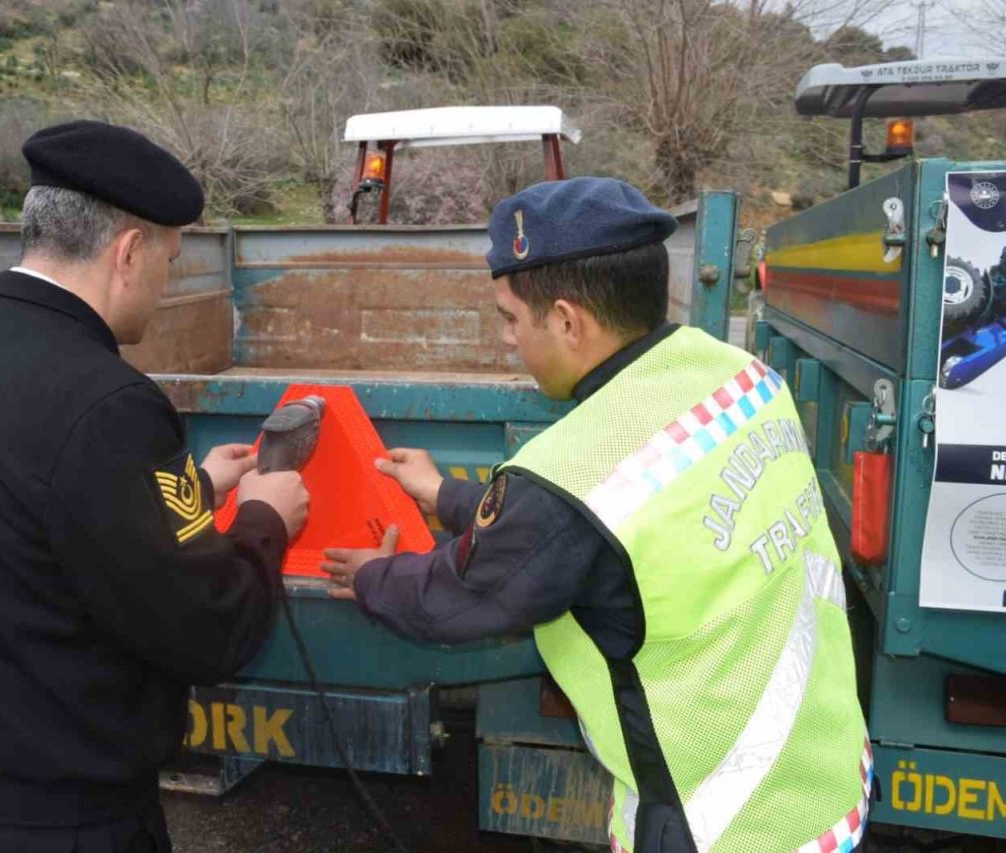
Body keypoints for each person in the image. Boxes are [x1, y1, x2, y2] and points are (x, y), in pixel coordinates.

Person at [322, 178, 871, 853]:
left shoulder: (572, 477)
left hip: (720, 822)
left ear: (567, 321)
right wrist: (449, 495)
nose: (506, 340)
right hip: (824, 782)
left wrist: (377, 575)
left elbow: (459, 596)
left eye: (509, 318)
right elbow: (609, 519)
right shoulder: (740, 378)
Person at [0, 120, 308, 853]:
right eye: (169, 260)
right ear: (128, 253)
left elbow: (33, 522)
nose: (166, 286)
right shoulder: (109, 405)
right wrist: (265, 516)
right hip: (56, 823)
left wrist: (195, 484)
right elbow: (208, 627)